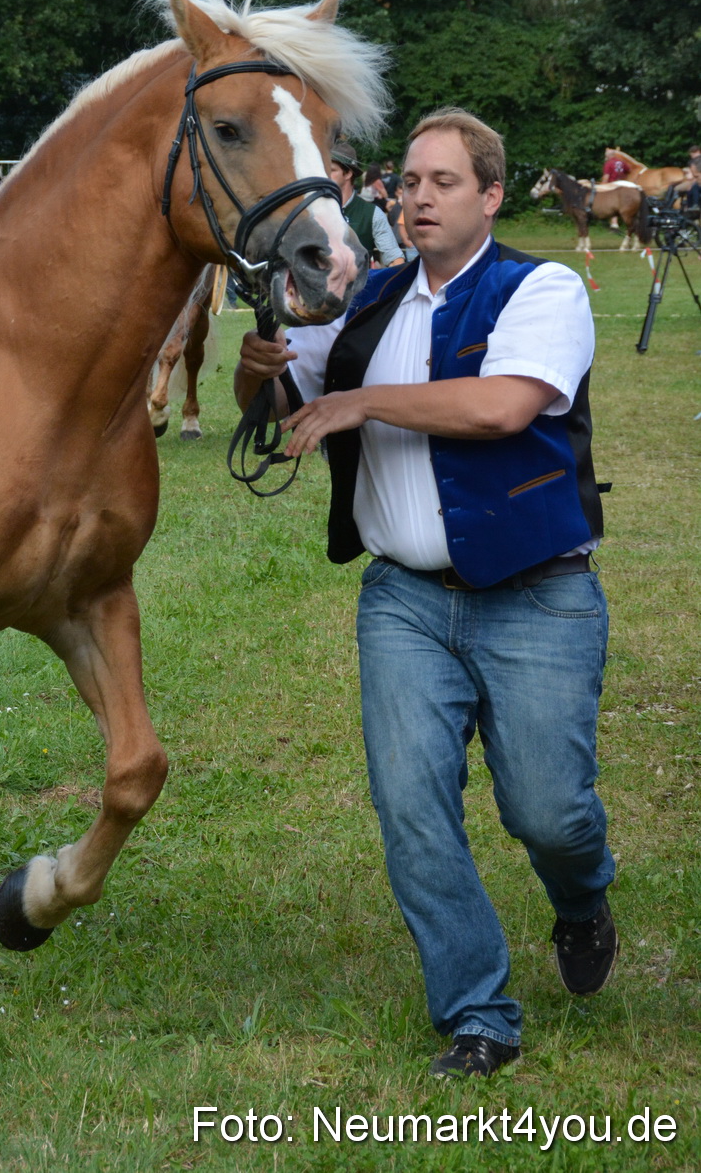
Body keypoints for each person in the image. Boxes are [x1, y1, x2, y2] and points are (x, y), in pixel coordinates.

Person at [234, 107, 617, 1079]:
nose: (417, 197)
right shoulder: (363, 304)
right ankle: (478, 1009)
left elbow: (503, 404)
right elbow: (284, 405)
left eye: (443, 181)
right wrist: (257, 375)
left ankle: (581, 893)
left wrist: (359, 400)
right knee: (412, 807)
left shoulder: (544, 288)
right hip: (403, 600)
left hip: (538, 596)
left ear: (492, 194)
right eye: (407, 182)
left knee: (548, 812)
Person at [328, 142, 404, 267]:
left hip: (359, 286)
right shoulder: (311, 211)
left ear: (348, 174)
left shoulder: (372, 214)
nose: (324, 174)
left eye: (331, 170)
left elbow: (395, 258)